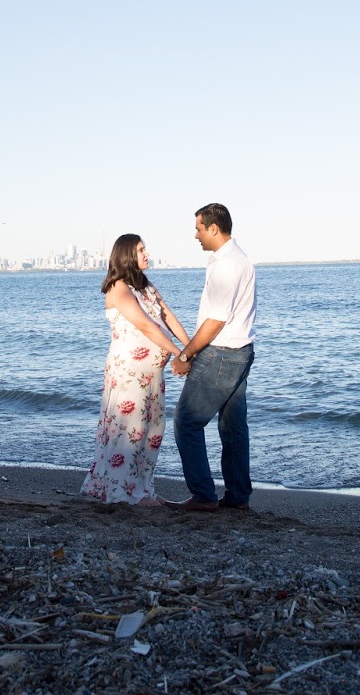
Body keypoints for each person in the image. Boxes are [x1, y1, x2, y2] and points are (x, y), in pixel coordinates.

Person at [81, 233, 191, 505]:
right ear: (127, 254)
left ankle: (142, 489)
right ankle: (121, 493)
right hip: (130, 374)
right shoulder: (118, 287)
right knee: (130, 430)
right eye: (141, 250)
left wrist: (190, 348)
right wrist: (179, 354)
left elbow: (167, 316)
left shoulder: (145, 286)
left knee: (153, 431)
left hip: (152, 375)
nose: (147, 254)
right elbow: (145, 325)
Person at [171, 203, 257, 512]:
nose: (195, 235)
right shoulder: (234, 259)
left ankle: (204, 496)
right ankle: (237, 496)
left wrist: (186, 354)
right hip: (240, 352)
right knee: (232, 427)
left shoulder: (227, 265)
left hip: (222, 354)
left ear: (213, 228)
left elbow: (216, 320)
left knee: (186, 422)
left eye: (198, 229)